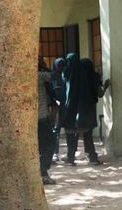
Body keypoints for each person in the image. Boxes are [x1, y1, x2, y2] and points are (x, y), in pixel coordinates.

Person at [61, 54, 110, 165]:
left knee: (71, 136)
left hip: (70, 112)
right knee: (88, 135)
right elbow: (99, 93)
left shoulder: (66, 74)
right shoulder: (91, 75)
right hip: (86, 112)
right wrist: (106, 86)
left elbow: (60, 93)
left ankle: (70, 159)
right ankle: (92, 158)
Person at [37, 57, 57, 185]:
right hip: (40, 118)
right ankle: (43, 173)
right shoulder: (39, 75)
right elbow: (53, 75)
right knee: (49, 144)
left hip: (30, 119)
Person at [51, 57, 66, 162]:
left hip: (65, 106)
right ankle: (54, 153)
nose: (61, 68)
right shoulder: (52, 77)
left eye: (62, 66)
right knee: (55, 130)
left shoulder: (65, 75)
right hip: (55, 107)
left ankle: (70, 155)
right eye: (59, 66)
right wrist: (54, 100)